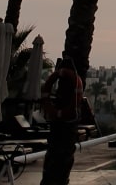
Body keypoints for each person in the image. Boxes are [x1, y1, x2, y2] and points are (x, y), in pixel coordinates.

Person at [40, 56, 83, 185]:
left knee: (56, 155)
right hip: (65, 126)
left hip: (60, 125)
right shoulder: (74, 82)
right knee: (60, 156)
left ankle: (53, 179)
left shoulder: (66, 86)